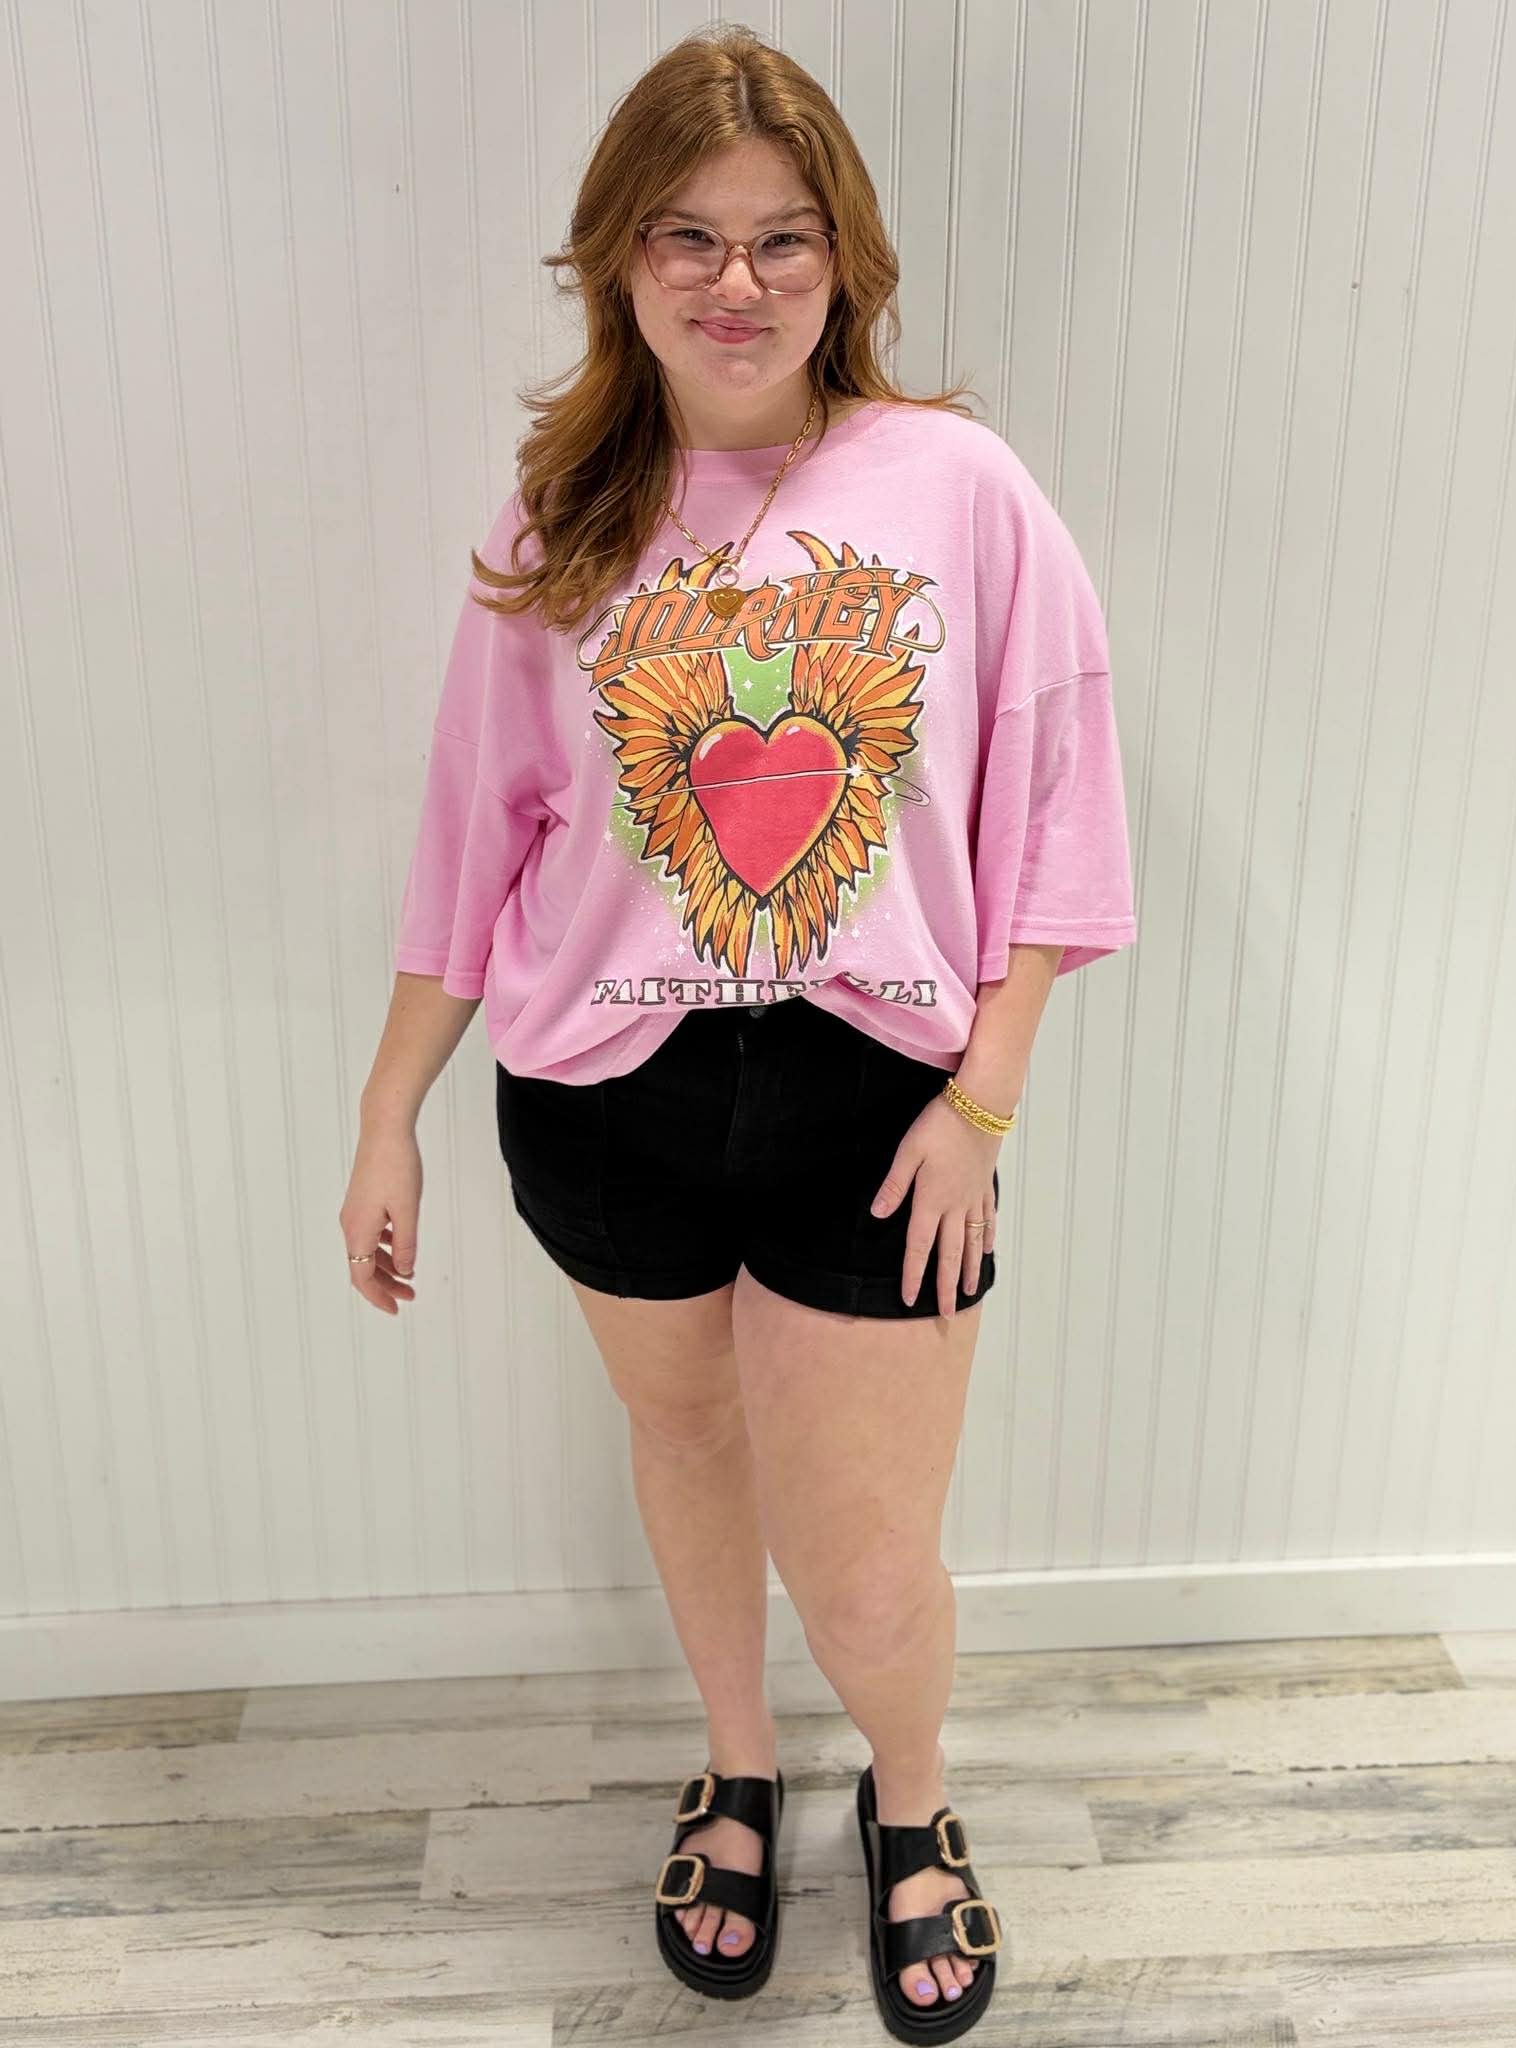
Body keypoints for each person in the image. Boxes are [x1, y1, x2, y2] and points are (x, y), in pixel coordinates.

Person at [340, 24, 1136, 2040]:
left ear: (842, 259)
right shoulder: (567, 517)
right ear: (617, 258)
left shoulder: (956, 486)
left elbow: (1056, 802)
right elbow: (476, 836)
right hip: (602, 1096)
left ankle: (914, 1797)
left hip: (883, 1106)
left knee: (865, 1566)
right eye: (687, 235)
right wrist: (388, 1115)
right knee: (685, 1440)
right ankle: (736, 1765)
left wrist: (985, 1097)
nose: (737, 281)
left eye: (783, 238)